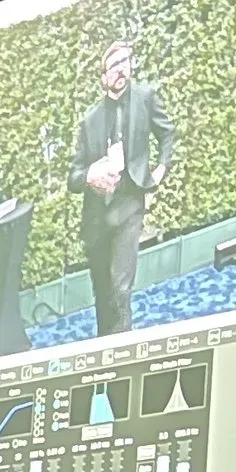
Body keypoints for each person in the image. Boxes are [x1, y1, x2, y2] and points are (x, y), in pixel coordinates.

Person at [72, 35, 173, 338]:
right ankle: (106, 345)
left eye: (124, 62)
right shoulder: (89, 121)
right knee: (103, 290)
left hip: (131, 204)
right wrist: (90, 175)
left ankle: (123, 350)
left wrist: (160, 170)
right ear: (102, 76)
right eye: (113, 65)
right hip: (97, 214)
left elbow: (167, 134)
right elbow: (73, 178)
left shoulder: (146, 97)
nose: (120, 69)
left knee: (121, 286)